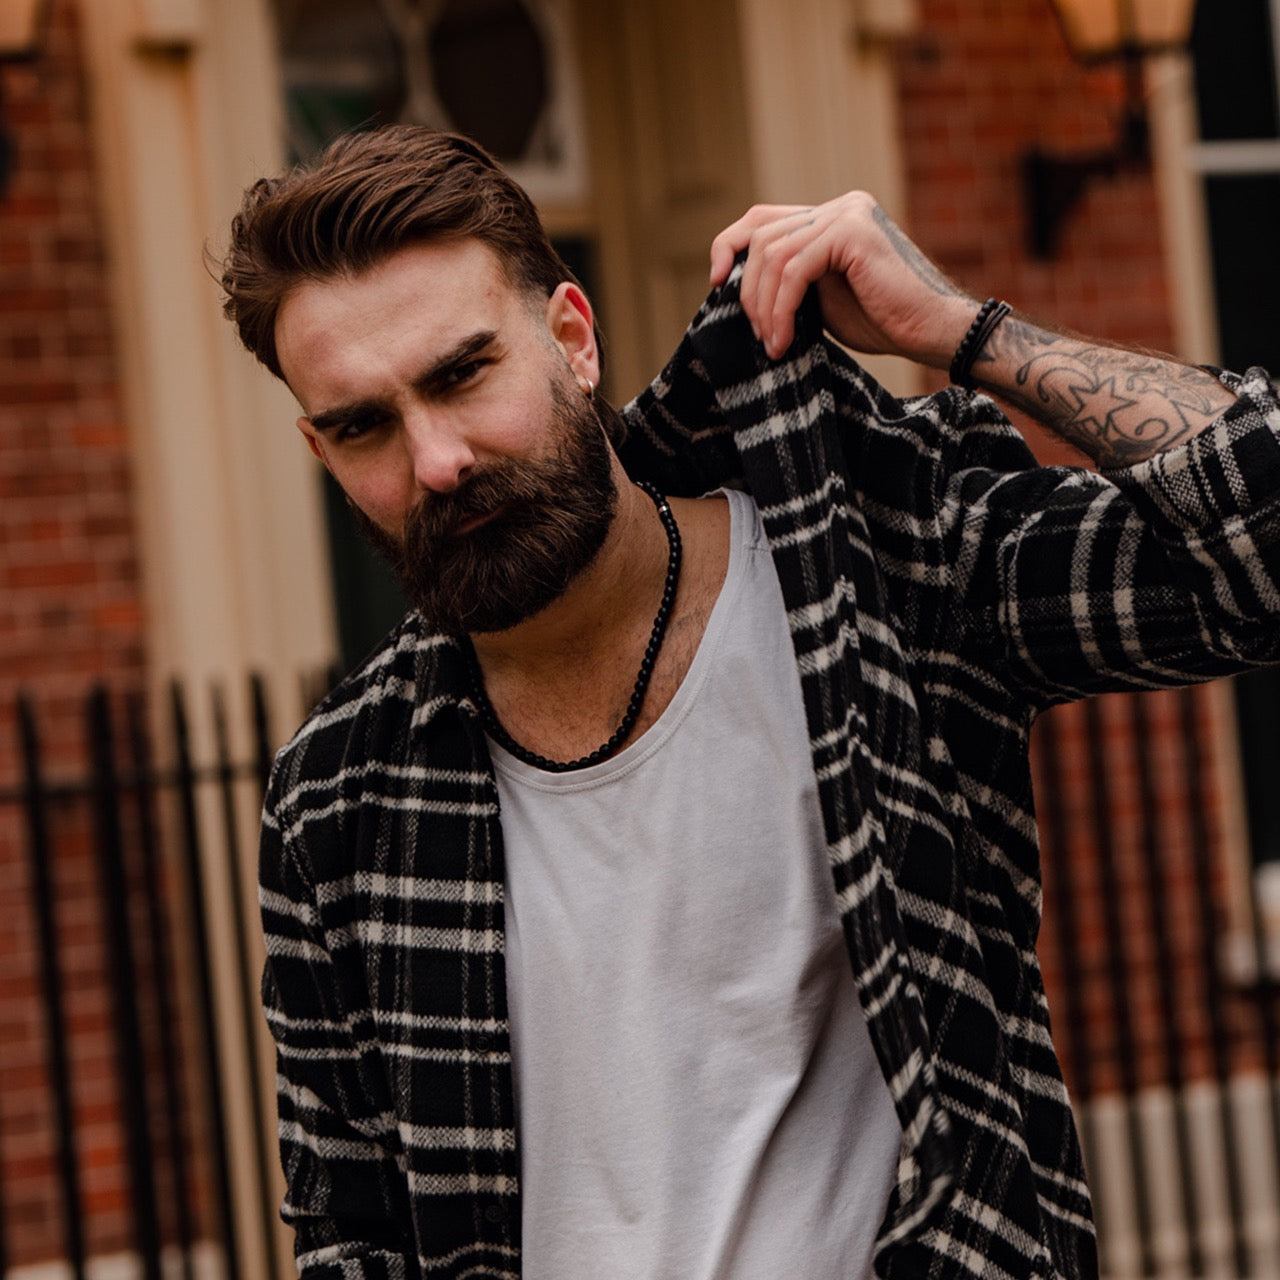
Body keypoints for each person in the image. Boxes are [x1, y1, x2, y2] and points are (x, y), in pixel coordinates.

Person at [220, 125, 1280, 1280]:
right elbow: (351, 1236)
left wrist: (964, 333)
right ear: (318, 450)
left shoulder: (883, 565)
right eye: (362, 424)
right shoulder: (336, 795)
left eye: (462, 374)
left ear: (571, 338)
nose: (434, 460)